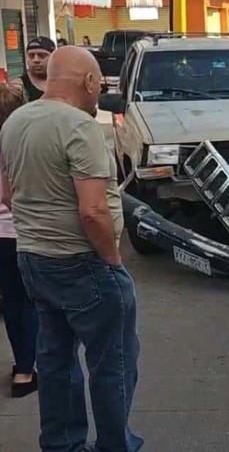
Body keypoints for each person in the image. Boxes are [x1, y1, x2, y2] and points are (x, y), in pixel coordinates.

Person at [0, 46, 143, 451]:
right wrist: (112, 261)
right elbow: (93, 210)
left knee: (56, 359)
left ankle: (62, 444)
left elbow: (8, 195)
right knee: (111, 363)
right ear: (90, 81)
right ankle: (115, 444)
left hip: (33, 258)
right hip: (84, 263)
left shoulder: (14, 123)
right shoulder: (81, 128)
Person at [0, 81, 38, 398]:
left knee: (12, 302)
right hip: (20, 232)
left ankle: (22, 366)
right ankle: (26, 369)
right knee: (29, 302)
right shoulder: (22, 140)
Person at [9, 36, 55, 102]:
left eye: (42, 55)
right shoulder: (18, 88)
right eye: (31, 56)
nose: (36, 60)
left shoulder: (65, 81)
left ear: (54, 57)